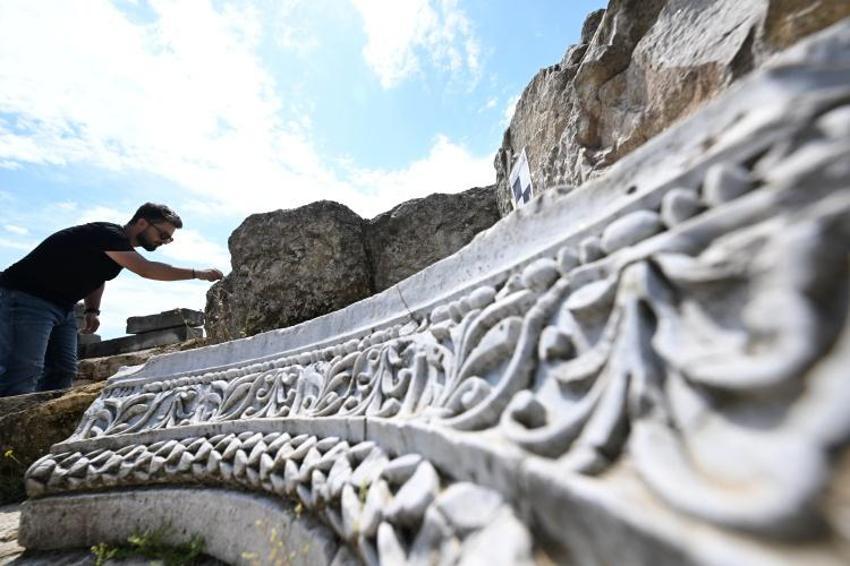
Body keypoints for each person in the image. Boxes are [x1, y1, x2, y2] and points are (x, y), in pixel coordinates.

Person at [0, 202, 223, 397]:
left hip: (63, 307)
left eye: (169, 238)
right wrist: (196, 273)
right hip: (24, 297)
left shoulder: (116, 251)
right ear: (142, 223)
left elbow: (96, 277)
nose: (165, 241)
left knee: (62, 371)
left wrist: (91, 310)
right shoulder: (108, 234)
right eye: (163, 234)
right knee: (23, 369)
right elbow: (147, 270)